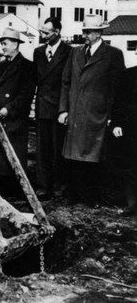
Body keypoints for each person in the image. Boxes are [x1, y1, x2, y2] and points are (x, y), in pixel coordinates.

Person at [59, 14, 125, 206]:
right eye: (84, 31)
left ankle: (92, 197)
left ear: (99, 33)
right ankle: (74, 195)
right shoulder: (76, 52)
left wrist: (113, 117)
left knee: (92, 158)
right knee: (73, 157)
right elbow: (65, 82)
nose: (85, 35)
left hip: (97, 115)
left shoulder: (113, 54)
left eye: (88, 32)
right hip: (75, 114)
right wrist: (63, 110)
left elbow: (117, 88)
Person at [0, 27, 36, 198]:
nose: (3, 47)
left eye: (5, 44)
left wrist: (7, 110)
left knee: (11, 157)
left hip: (13, 121)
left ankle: (14, 192)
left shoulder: (27, 67)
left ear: (15, 44)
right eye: (2, 44)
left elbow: (25, 96)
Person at [33, 17, 72, 200]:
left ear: (57, 32)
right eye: (41, 31)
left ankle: (59, 187)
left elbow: (69, 83)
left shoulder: (69, 52)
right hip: (42, 108)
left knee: (58, 150)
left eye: (46, 33)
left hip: (59, 109)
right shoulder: (38, 52)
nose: (42, 35)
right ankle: (43, 187)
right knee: (42, 150)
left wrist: (65, 109)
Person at [111, 65, 137, 216]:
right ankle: (132, 203)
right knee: (130, 165)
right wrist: (116, 123)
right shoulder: (129, 75)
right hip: (131, 129)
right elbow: (119, 102)